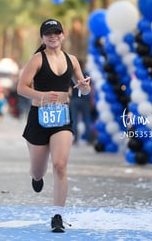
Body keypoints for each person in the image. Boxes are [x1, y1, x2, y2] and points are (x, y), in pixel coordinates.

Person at [17, 19, 91, 233]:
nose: (53, 36)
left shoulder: (72, 60)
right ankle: (36, 176)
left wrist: (84, 88)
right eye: (48, 33)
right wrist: (41, 96)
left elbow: (84, 90)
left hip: (62, 117)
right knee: (39, 170)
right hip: (39, 116)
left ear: (63, 35)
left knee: (60, 165)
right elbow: (21, 87)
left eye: (57, 32)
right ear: (42, 37)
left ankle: (57, 215)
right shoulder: (37, 59)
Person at [69, 61, 94, 145]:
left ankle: (75, 139)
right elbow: (91, 87)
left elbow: (69, 88)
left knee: (74, 119)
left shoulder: (72, 74)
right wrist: (92, 99)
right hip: (85, 100)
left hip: (74, 99)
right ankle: (89, 139)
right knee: (87, 119)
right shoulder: (86, 73)